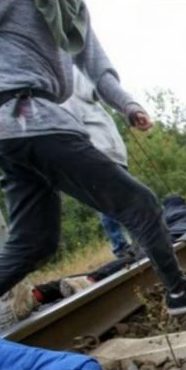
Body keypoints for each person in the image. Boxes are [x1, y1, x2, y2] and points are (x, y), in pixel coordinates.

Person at [0, 0, 186, 327]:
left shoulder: (71, 7)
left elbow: (96, 68)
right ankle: (179, 293)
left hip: (12, 130)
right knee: (138, 202)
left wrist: (128, 105)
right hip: (30, 120)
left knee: (35, 241)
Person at [61, 65, 134, 259]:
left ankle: (137, 241)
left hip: (115, 156)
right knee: (110, 204)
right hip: (100, 158)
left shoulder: (96, 108)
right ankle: (121, 247)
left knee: (127, 200)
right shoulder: (70, 103)